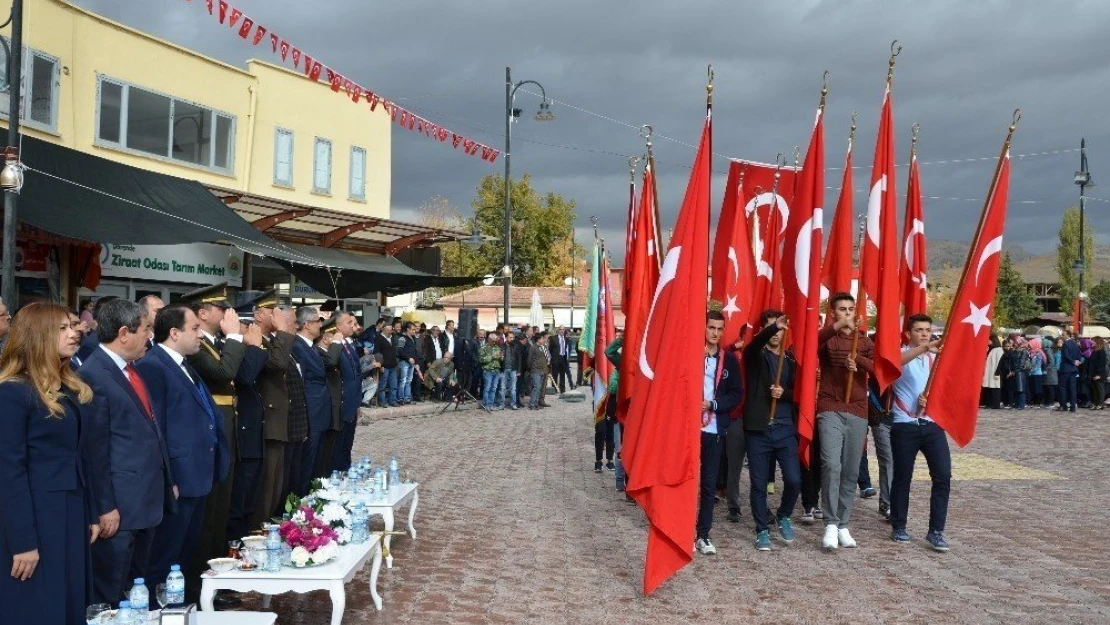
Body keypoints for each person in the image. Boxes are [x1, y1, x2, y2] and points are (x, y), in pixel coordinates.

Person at [0, 303, 100, 625]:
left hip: (70, 512)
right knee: (39, 606)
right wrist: (23, 541)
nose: (74, 333)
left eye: (72, 326)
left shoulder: (65, 387)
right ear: (37, 336)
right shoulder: (12, 393)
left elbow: (82, 456)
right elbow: (8, 471)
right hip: (37, 517)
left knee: (70, 602)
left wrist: (91, 512)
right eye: (61, 329)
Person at [78, 298, 172, 606]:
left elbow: (148, 431)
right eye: (146, 329)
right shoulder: (94, 375)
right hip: (119, 508)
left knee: (135, 589)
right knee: (111, 590)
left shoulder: (131, 370)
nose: (151, 336)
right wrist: (105, 506)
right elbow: (94, 450)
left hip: (143, 502)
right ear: (123, 333)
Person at [137, 305, 231, 599]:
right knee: (165, 553)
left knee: (186, 550)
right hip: (179, 478)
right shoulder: (154, 366)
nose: (200, 335)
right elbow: (157, 428)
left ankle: (185, 601)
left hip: (197, 474)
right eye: (194, 329)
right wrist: (169, 478)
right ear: (174, 333)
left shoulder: (184, 364)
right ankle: (157, 607)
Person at [181, 284, 250, 607]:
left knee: (220, 516)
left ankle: (216, 580)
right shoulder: (199, 350)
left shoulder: (214, 343)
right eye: (221, 309)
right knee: (207, 521)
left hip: (224, 437)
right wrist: (236, 337)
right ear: (204, 312)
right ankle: (200, 589)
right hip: (208, 441)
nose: (228, 315)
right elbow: (225, 372)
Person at [815, 292, 874, 551]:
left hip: (858, 409)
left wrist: (858, 362)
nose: (847, 313)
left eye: (851, 309)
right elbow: (810, 344)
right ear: (833, 313)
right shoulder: (828, 337)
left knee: (851, 469)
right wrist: (838, 327)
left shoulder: (864, 340)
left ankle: (842, 523)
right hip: (830, 406)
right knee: (831, 463)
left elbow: (878, 368)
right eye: (842, 309)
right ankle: (829, 522)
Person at [889, 314, 951, 552]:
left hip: (932, 425)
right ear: (908, 333)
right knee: (903, 477)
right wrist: (924, 348)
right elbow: (895, 363)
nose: (925, 334)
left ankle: (936, 531)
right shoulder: (902, 353)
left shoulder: (937, 359)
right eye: (919, 330)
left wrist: (933, 399)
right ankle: (899, 525)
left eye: (928, 330)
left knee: (943, 476)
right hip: (905, 424)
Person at [740, 311, 799, 551]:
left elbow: (798, 395)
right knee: (758, 484)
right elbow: (752, 345)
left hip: (785, 429)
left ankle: (783, 514)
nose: (776, 333)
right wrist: (773, 326)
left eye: (781, 329)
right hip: (758, 429)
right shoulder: (756, 356)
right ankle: (762, 530)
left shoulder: (792, 360)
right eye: (771, 329)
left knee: (794, 480)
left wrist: (783, 393)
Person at [693, 311, 743, 555]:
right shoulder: (690, 355)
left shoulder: (729, 360)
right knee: (687, 480)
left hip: (714, 429)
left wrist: (714, 404)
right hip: (690, 430)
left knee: (709, 483)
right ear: (703, 328)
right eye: (711, 327)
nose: (714, 332)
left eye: (719, 329)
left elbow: (736, 393)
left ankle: (703, 534)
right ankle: (681, 529)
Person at [250, 296, 301, 528]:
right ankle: (257, 534)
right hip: (267, 421)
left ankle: (266, 530)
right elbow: (276, 365)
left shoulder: (271, 340)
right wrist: (283, 331)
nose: (278, 316)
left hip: (278, 422)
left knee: (275, 488)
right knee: (265, 489)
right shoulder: (253, 339)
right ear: (259, 314)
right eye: (274, 311)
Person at [225, 300, 269, 548]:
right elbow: (244, 377)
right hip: (241, 436)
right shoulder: (233, 349)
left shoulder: (244, 348)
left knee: (249, 501)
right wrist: (255, 347)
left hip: (252, 434)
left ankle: (243, 547)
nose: (252, 331)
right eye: (247, 326)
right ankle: (233, 550)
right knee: (238, 503)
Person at [292, 307, 333, 496]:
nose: (321, 324)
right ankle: (301, 506)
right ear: (307, 324)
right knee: (306, 465)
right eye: (318, 321)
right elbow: (303, 383)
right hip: (310, 414)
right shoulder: (297, 346)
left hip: (319, 413)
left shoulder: (311, 346)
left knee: (317, 463)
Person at [327, 312, 363, 470]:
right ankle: (338, 473)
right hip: (342, 402)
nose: (352, 325)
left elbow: (356, 374)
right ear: (338, 326)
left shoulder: (349, 344)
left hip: (351, 402)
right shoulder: (335, 344)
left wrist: (357, 403)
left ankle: (345, 471)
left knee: (347, 444)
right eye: (349, 322)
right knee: (338, 445)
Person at [375, 322, 399, 407]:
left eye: (390, 330)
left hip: (393, 365)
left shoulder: (392, 338)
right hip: (384, 366)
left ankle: (392, 401)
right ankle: (382, 402)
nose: (389, 331)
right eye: (387, 330)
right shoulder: (379, 338)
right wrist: (380, 365)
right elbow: (377, 352)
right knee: (382, 385)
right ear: (383, 329)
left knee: (394, 385)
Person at [479, 331, 504, 409]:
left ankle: (491, 404)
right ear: (489, 339)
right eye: (493, 340)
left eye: (495, 340)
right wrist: (492, 357)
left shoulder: (497, 348)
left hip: (496, 370)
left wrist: (501, 357)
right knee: (487, 388)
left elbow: (501, 359)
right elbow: (482, 360)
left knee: (494, 389)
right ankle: (486, 404)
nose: (494, 342)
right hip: (488, 371)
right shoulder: (483, 348)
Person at [527, 333, 551, 410]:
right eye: (541, 338)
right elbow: (529, 360)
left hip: (542, 370)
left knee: (539, 387)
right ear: (538, 339)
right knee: (536, 387)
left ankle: (536, 403)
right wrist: (530, 368)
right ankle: (532, 404)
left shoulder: (541, 347)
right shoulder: (533, 348)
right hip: (535, 370)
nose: (543, 340)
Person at [982, 334, 1004, 409]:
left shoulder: (999, 350)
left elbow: (1000, 362)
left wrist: (997, 373)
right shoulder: (992, 349)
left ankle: (996, 404)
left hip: (995, 372)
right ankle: (989, 403)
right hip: (990, 372)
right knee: (989, 387)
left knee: (996, 388)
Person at [551, 326, 575, 393]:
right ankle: (554, 389)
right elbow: (550, 349)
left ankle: (562, 389)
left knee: (562, 375)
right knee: (555, 375)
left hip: (563, 359)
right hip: (555, 359)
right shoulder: (553, 338)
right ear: (558, 330)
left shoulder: (566, 339)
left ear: (564, 331)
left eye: (563, 329)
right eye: (560, 329)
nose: (562, 331)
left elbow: (567, 349)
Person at [1090, 337, 1108, 410]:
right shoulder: (1094, 351)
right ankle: (1095, 403)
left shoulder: (1101, 351)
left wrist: (1099, 375)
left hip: (1100, 373)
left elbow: (1102, 364)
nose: (1092, 343)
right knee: (1095, 389)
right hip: (1094, 372)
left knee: (1100, 388)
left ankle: (1101, 403)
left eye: (1093, 341)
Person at [1028, 336, 1047, 407]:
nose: (1029, 346)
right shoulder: (1031, 352)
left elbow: (1038, 364)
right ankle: (1034, 401)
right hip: (1032, 373)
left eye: (1031, 344)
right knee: (1032, 388)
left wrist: (1031, 370)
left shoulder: (1039, 353)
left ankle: (1038, 402)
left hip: (1037, 373)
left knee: (1037, 389)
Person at [1042, 337, 1059, 408]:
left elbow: (1051, 362)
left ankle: (1050, 403)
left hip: (1050, 372)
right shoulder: (1048, 350)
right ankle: (1048, 402)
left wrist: (1046, 369)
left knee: (1050, 387)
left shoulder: (1048, 350)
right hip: (1050, 372)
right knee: (1048, 387)